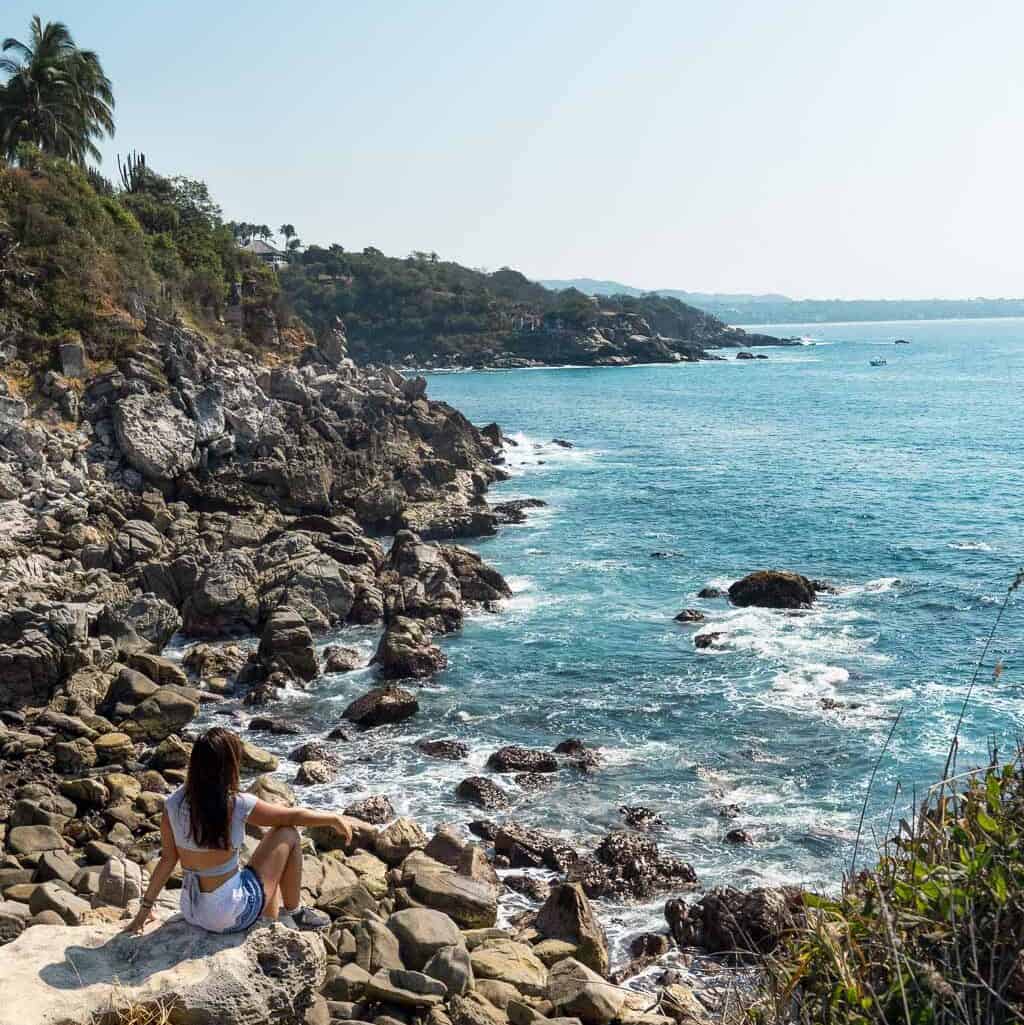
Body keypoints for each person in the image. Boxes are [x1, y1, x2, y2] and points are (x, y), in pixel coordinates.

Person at [124, 726, 360, 935]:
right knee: (287, 833)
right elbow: (293, 816)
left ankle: (272, 919)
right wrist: (333, 818)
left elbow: (167, 861)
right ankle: (294, 912)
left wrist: (143, 913)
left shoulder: (172, 804)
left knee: (252, 875)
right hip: (228, 917)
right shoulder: (236, 804)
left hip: (192, 911)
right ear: (229, 766)